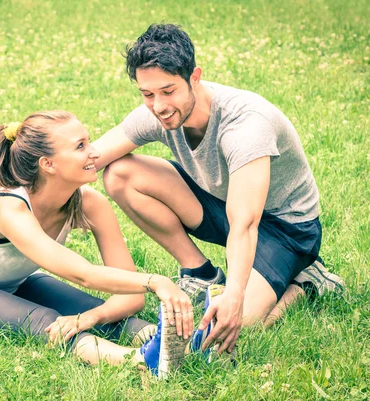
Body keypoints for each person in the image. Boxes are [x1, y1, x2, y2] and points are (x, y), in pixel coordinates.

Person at [91, 23, 344, 355]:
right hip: (222, 204)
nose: (159, 105)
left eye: (168, 91)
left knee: (227, 330)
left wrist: (235, 296)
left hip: (286, 230)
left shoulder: (245, 125)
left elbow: (245, 223)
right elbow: (89, 159)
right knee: (120, 174)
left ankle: (307, 282)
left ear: (195, 77)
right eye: (147, 94)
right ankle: (201, 273)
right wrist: (15, 181)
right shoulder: (157, 111)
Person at [0, 110, 193, 377]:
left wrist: (91, 317)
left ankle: (187, 345)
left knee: (94, 309)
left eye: (88, 141)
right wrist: (156, 281)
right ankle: (142, 360)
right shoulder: (8, 207)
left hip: (16, 283)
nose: (94, 152)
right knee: (45, 321)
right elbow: (83, 274)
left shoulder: (90, 203)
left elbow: (130, 297)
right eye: (80, 146)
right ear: (47, 164)